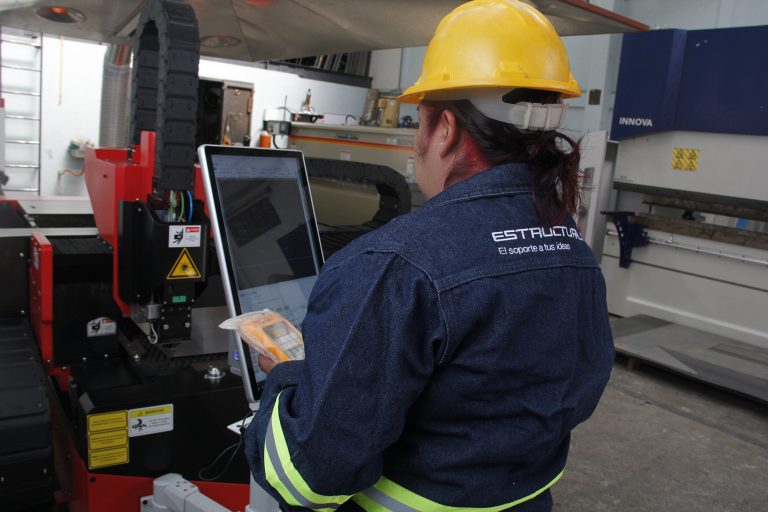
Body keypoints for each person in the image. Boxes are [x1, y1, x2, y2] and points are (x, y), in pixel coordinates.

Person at [244, 1, 614, 510]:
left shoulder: (394, 266)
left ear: (446, 128)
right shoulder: (570, 245)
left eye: (418, 122)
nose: (415, 144)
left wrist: (290, 375)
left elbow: (308, 478)